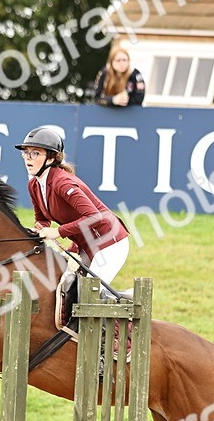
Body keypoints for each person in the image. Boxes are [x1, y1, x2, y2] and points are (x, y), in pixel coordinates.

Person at [15, 126, 130, 295]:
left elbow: (94, 216)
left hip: (110, 242)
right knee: (67, 291)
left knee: (90, 296)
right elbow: (42, 218)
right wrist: (39, 228)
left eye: (35, 153)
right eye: (26, 153)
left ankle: (127, 303)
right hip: (86, 245)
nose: (28, 158)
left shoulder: (63, 183)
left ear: (51, 158)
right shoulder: (33, 184)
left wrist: (57, 232)